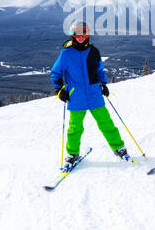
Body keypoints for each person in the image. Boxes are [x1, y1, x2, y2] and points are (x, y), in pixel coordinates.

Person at [51, 20, 128, 167]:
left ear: (88, 34)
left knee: (106, 123)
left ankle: (118, 148)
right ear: (73, 35)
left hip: (94, 95)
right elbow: (55, 72)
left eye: (84, 33)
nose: (81, 37)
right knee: (75, 128)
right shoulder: (66, 53)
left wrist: (103, 84)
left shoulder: (93, 51)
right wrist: (60, 89)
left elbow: (99, 70)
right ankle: (72, 153)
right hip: (76, 96)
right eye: (77, 34)